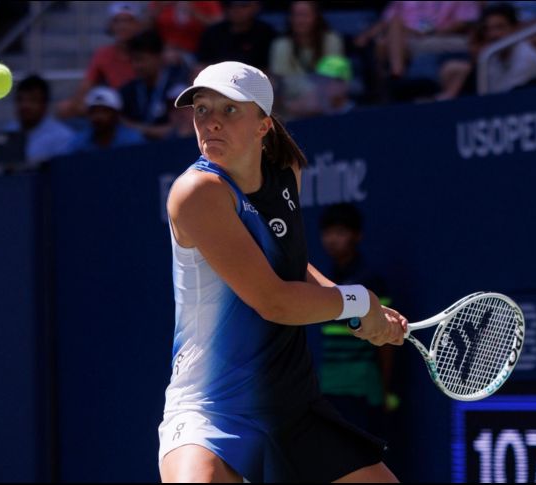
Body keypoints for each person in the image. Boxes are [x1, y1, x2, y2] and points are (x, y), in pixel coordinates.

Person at [159, 60, 407, 483]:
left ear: (263, 125)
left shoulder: (285, 176)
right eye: (202, 109)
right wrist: (358, 301)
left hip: (292, 408)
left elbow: (289, 267)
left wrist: (355, 313)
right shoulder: (196, 192)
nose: (211, 122)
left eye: (230, 110)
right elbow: (273, 300)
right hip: (210, 412)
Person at [318, 203, 399, 434]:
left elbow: (386, 344)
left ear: (357, 236)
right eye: (328, 232)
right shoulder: (323, 280)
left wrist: (385, 389)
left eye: (341, 232)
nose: (333, 239)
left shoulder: (371, 281)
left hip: (363, 391)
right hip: (330, 389)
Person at [56, 1, 148, 120]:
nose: (122, 26)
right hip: (113, 107)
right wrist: (75, 104)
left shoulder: (149, 53)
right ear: (110, 25)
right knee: (65, 108)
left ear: (138, 25)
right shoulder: (102, 54)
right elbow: (85, 88)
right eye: (117, 21)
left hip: (142, 106)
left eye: (128, 21)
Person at [0, 75, 74, 163]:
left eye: (32, 100)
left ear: (44, 104)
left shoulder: (63, 137)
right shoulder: (7, 132)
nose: (25, 106)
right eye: (20, 100)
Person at [118, 29, 188, 140]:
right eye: (134, 60)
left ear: (158, 57)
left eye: (141, 59)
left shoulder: (177, 85)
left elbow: (180, 129)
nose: (137, 66)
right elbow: (121, 125)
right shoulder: (128, 90)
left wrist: (139, 129)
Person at [194, 0, 277, 73]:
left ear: (257, 6)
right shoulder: (213, 32)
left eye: (243, 5)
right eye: (230, 5)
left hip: (253, 82)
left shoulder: (266, 33)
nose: (236, 10)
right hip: (218, 80)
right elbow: (202, 64)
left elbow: (269, 69)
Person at [67, 86, 145, 153]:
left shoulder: (133, 142)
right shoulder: (80, 142)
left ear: (116, 114)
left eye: (104, 111)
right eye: (93, 112)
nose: (98, 117)